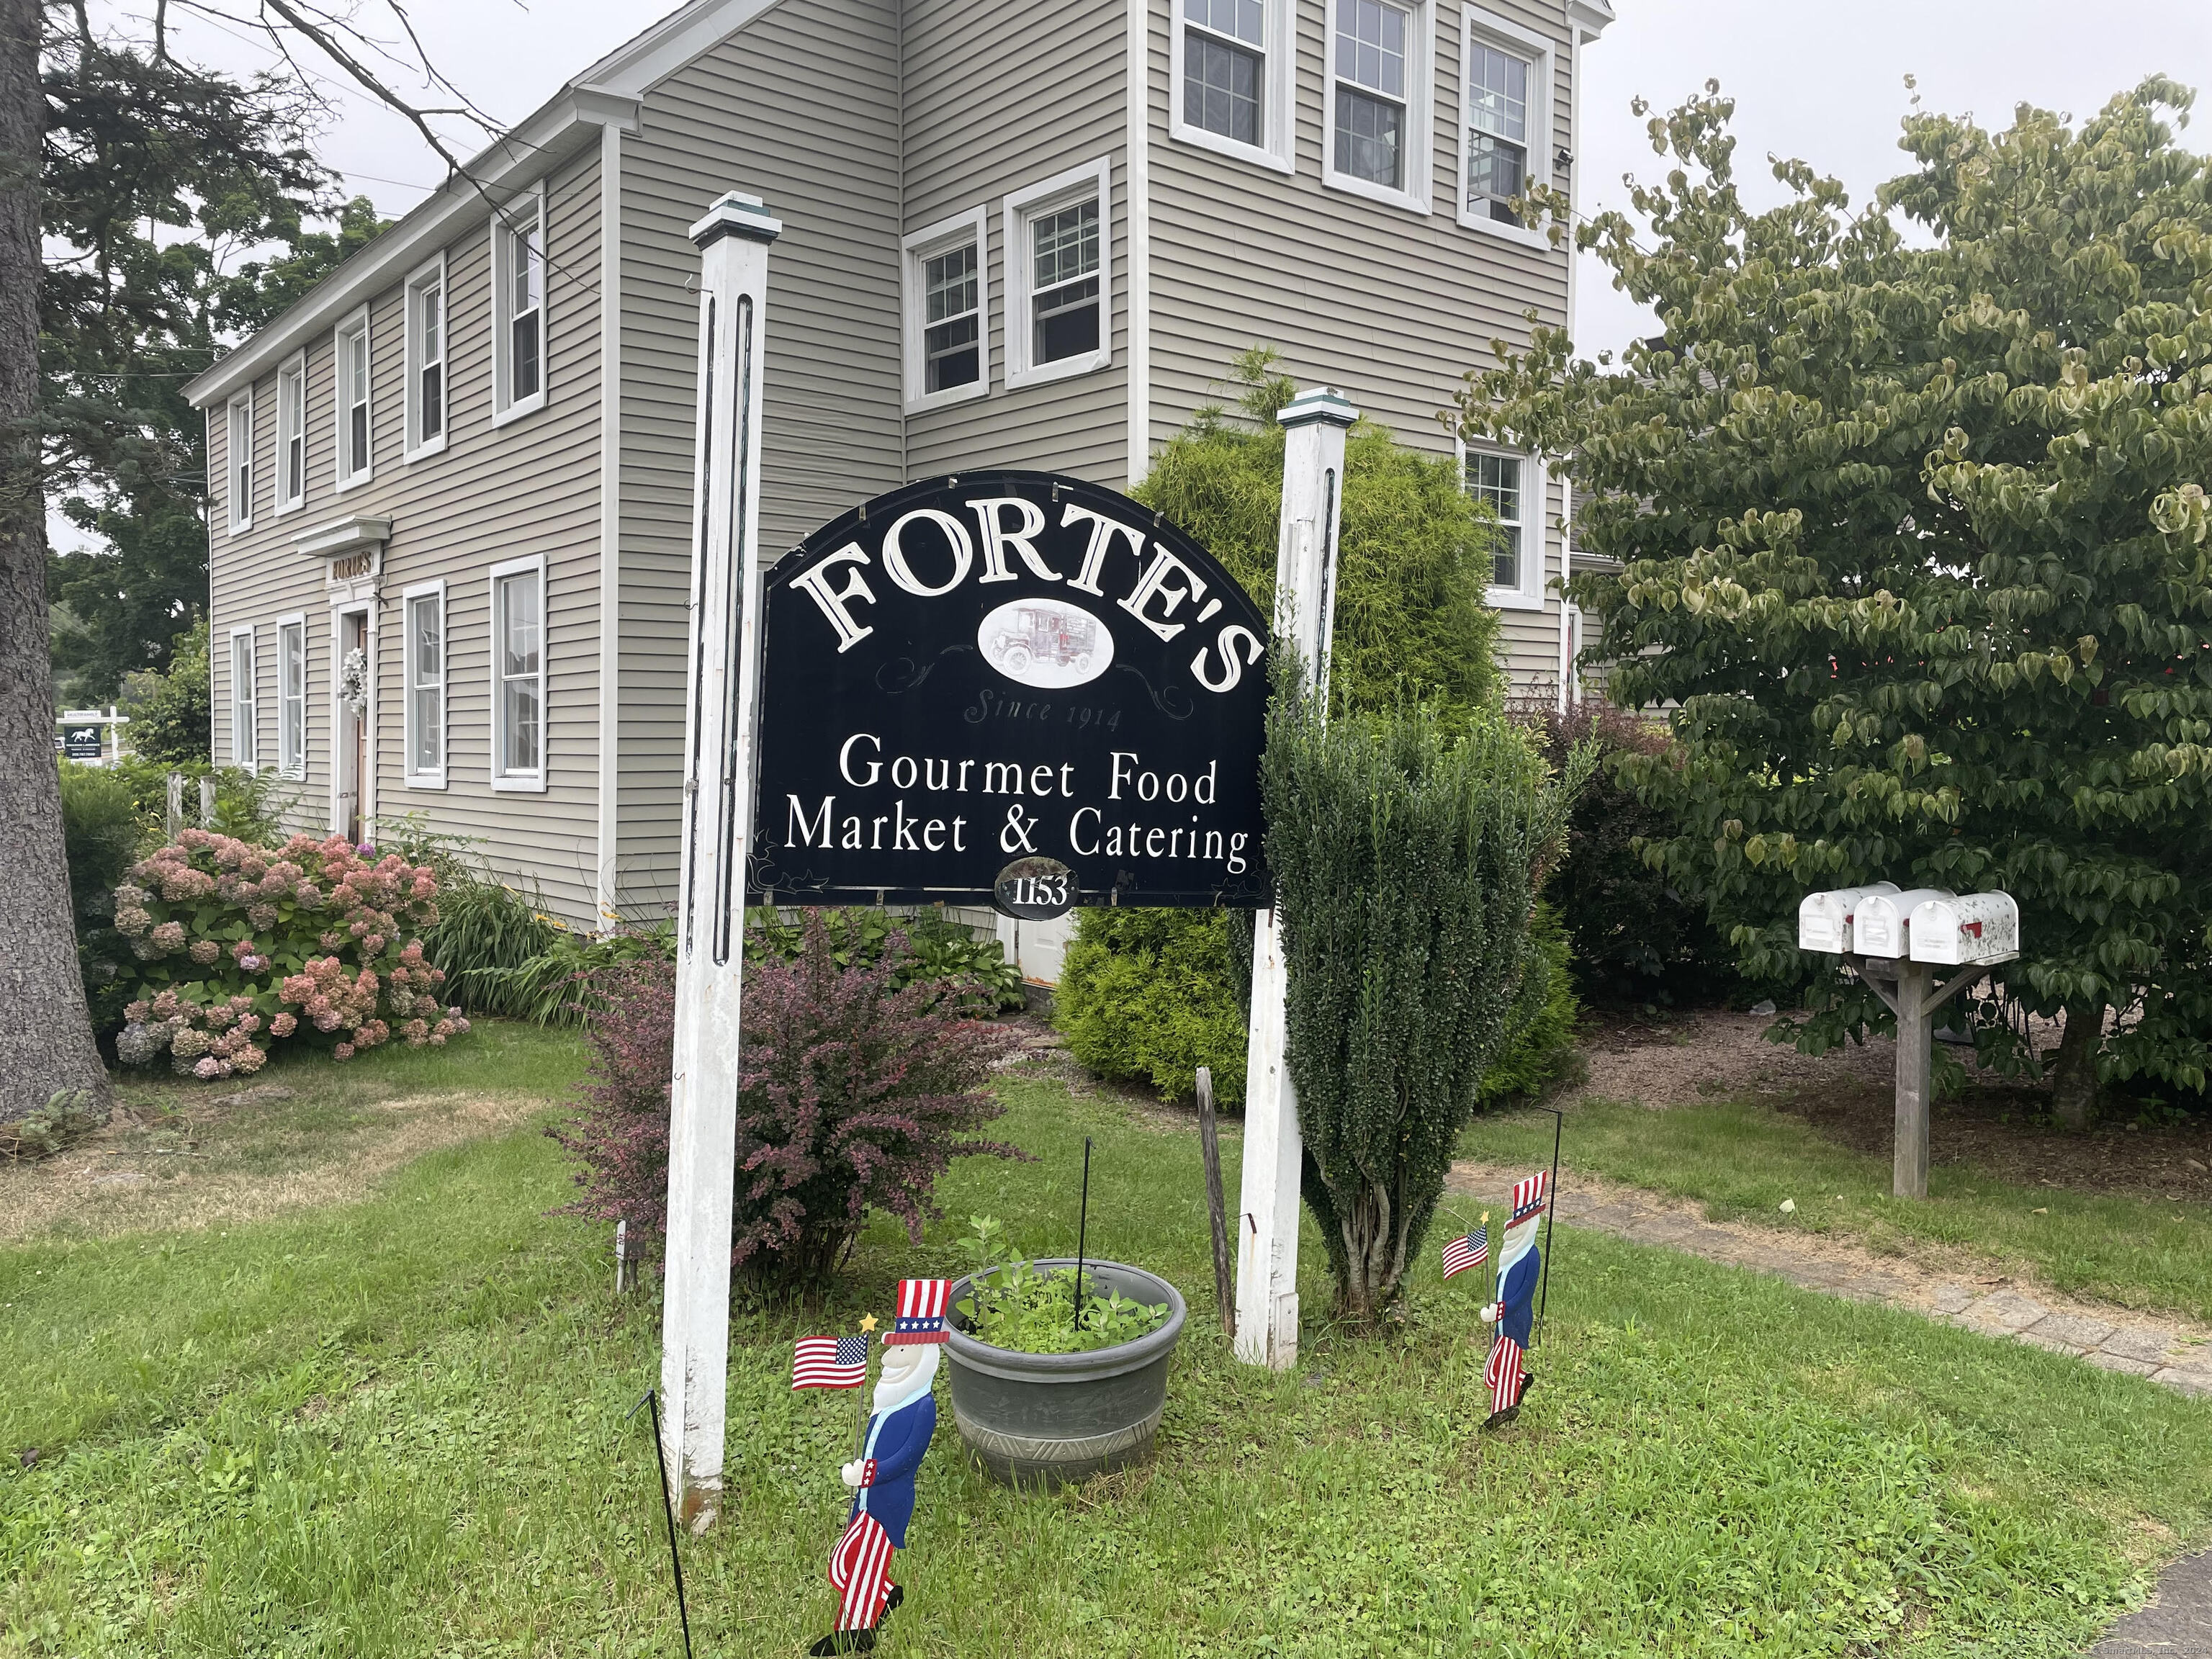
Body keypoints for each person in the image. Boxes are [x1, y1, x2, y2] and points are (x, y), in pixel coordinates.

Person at [810, 1285, 945, 1655]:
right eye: (891, 1348)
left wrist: (867, 1474)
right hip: (866, 1500)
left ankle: (853, 1632)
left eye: (900, 1349)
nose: (888, 1358)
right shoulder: (889, 1398)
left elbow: (907, 1459)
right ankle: (886, 1595)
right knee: (843, 1564)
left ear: (921, 1355)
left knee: (859, 1569)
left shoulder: (922, 1407)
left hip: (888, 1504)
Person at [1478, 1172, 1547, 1429]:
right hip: (1503, 1322)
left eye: (1517, 1226)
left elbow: (1524, 1295)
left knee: (1503, 1370)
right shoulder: (1510, 1253)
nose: (1512, 1230)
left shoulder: (1532, 1256)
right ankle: (1522, 1379)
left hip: (1515, 1321)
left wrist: (1501, 1311)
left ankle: (1501, 1411)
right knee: (1497, 1367)